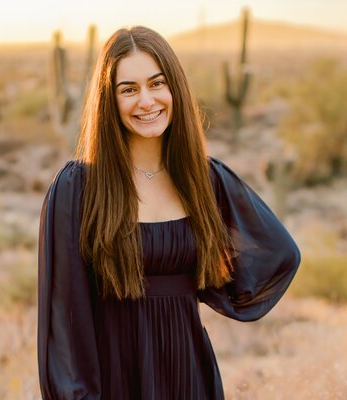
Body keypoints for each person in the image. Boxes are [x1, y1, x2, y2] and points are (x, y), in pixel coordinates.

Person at [37, 26, 301, 400]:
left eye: (156, 83)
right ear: (108, 101)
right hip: (115, 379)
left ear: (175, 87)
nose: (146, 101)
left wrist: (210, 289)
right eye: (128, 89)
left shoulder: (204, 180)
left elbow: (279, 254)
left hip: (188, 373)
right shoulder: (78, 188)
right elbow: (66, 321)